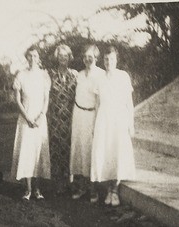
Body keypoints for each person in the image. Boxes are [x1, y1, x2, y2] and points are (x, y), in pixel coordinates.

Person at [91, 46, 135, 206]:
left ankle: (114, 190)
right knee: (106, 153)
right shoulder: (100, 79)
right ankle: (108, 190)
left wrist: (131, 123)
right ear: (103, 61)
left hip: (119, 119)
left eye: (111, 59)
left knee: (118, 152)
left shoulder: (123, 76)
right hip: (103, 119)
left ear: (116, 60)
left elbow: (129, 103)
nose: (109, 62)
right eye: (106, 59)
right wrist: (95, 124)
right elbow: (97, 104)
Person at [11, 47, 51, 200]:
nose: (33, 58)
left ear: (39, 58)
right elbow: (17, 100)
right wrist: (27, 117)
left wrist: (41, 115)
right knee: (27, 152)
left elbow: (46, 99)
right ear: (26, 57)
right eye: (30, 56)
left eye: (35, 56)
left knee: (39, 152)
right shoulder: (21, 75)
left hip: (40, 118)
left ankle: (38, 189)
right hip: (25, 118)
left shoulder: (44, 75)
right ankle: (27, 189)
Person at [70, 44, 105, 202]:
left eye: (90, 56)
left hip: (92, 115)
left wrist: (97, 122)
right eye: (85, 57)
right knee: (79, 152)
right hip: (78, 115)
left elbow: (99, 101)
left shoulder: (101, 75)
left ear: (96, 58)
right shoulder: (79, 74)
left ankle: (93, 190)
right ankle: (82, 187)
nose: (87, 59)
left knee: (91, 152)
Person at [47, 44, 78, 194]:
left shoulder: (75, 74)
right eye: (60, 56)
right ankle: (58, 182)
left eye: (65, 56)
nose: (63, 58)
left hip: (71, 117)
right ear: (57, 57)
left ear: (69, 57)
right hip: (55, 117)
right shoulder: (51, 74)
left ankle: (70, 182)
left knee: (69, 148)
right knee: (56, 148)